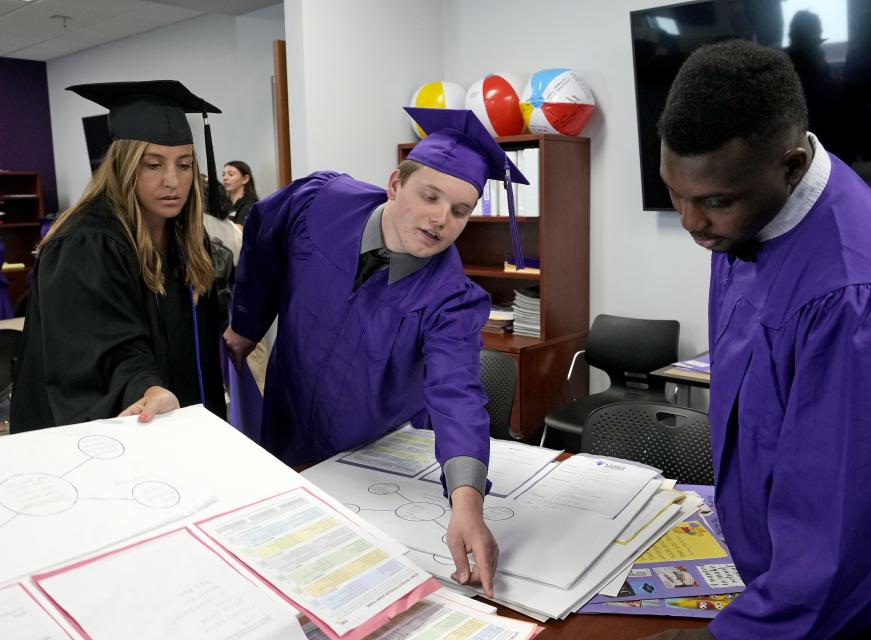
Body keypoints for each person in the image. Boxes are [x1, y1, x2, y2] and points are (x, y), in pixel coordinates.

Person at [646, 40, 871, 639]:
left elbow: (851, 544)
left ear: (791, 165)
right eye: (674, 193)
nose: (689, 221)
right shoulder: (746, 219)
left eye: (712, 202)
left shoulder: (861, 299)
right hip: (766, 575)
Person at [223, 107, 529, 598]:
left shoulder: (452, 298)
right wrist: (246, 323)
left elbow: (457, 394)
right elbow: (262, 238)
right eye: (429, 196)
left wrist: (467, 504)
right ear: (394, 184)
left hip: (367, 453)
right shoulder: (319, 202)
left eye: (460, 210)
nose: (440, 220)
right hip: (287, 416)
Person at [11, 80, 227, 431]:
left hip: (180, 422)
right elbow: (101, 344)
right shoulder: (87, 242)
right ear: (124, 167)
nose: (172, 180)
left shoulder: (186, 236)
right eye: (153, 164)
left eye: (184, 164)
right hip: (110, 434)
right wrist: (146, 386)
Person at [222, 160, 259, 225]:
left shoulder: (250, 205)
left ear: (245, 179)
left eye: (231, 174)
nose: (225, 178)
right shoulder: (224, 204)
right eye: (223, 174)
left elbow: (239, 232)